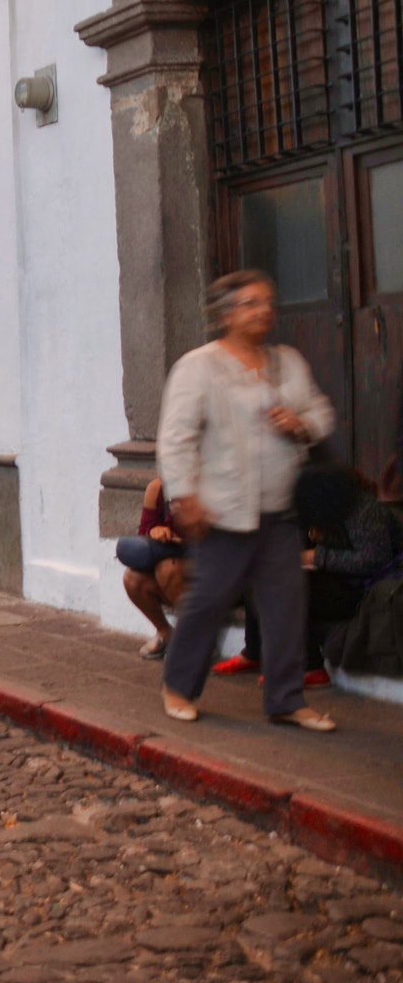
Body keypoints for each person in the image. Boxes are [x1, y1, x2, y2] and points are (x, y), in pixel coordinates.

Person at [158, 271, 336, 731]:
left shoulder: (288, 362)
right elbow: (175, 440)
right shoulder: (198, 367)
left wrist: (301, 423)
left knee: (286, 606)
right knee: (209, 604)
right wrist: (185, 497)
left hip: (277, 511)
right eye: (251, 303)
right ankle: (178, 687)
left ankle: (285, 699)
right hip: (222, 513)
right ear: (225, 314)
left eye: (268, 302)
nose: (264, 311)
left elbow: (322, 412)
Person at [298, 461, 401, 684]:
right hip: (338, 581)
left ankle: (311, 667)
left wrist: (318, 557)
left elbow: (374, 561)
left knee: (294, 588)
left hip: (364, 590)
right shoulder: (317, 513)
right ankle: (262, 655)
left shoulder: (363, 509)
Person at [116, 477, 186, 659]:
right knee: (132, 578)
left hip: (204, 567)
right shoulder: (158, 488)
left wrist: (177, 539)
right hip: (171, 561)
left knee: (167, 568)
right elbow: (144, 537)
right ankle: (165, 632)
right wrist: (154, 532)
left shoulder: (209, 488)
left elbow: (217, 547)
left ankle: (196, 636)